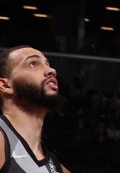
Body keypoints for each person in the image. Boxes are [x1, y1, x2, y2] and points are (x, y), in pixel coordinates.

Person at [0, 45, 71, 173]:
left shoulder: (56, 167)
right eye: (33, 64)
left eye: (47, 64)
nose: (51, 70)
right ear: (5, 85)